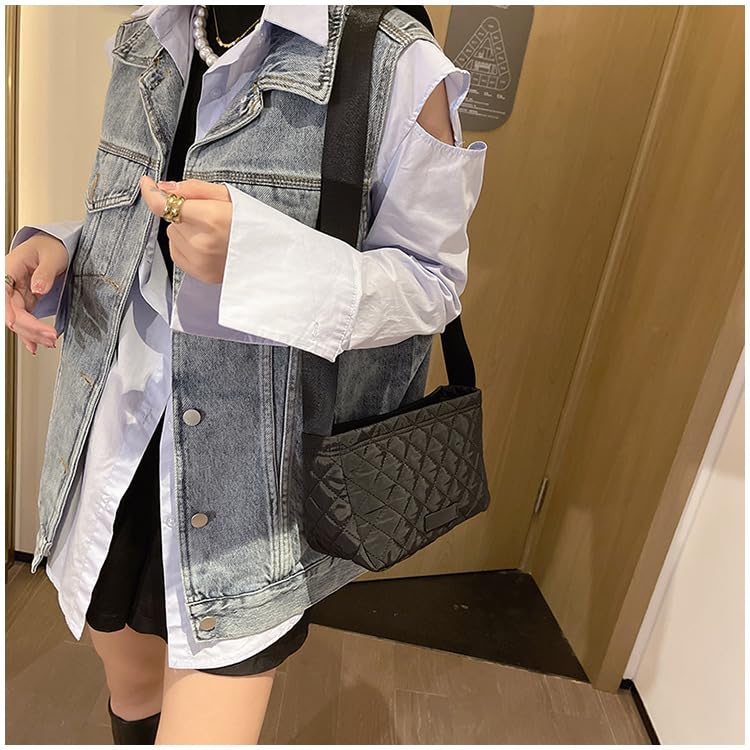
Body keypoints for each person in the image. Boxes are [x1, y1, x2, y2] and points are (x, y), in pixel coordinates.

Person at [5, 4, 487, 745]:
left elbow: (433, 284)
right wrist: (62, 249)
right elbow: (136, 219)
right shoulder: (149, 35)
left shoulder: (394, 61)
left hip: (248, 492)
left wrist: (263, 262)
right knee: (129, 688)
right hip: (116, 443)